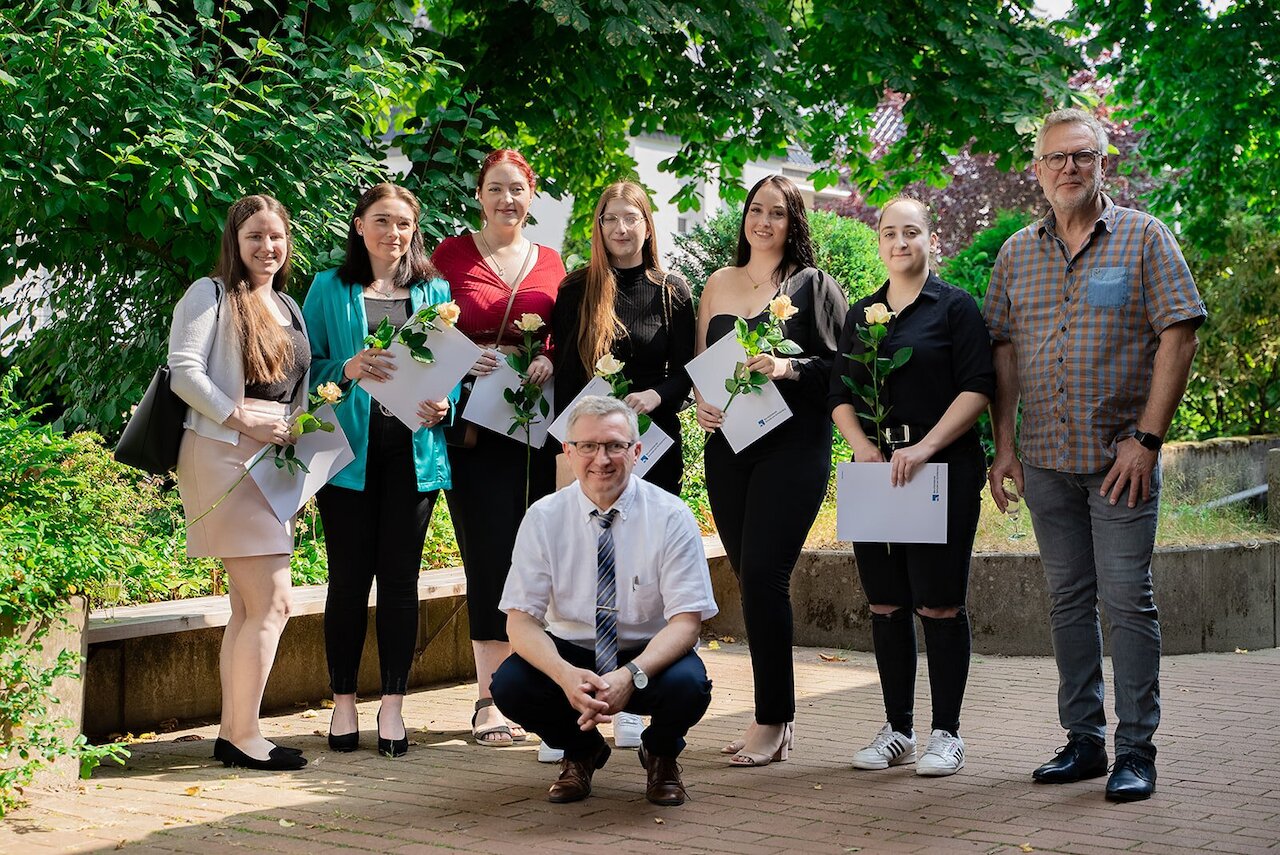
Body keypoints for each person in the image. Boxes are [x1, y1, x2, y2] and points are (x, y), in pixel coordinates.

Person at [984, 108, 1205, 802]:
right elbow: (1003, 350)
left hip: (1120, 461)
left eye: (1082, 155)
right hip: (1046, 460)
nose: (1069, 168)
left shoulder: (1144, 238)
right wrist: (1006, 446)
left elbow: (1179, 334)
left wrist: (1147, 438)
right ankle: (1083, 739)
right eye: (1056, 158)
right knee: (1068, 601)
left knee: (1127, 602)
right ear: (1038, 171)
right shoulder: (1017, 251)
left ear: (1103, 161)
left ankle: (1136, 748)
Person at [828, 197, 995, 777]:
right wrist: (864, 448)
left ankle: (946, 733)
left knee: (939, 603)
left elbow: (978, 387)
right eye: (889, 233)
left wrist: (924, 448)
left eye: (911, 232)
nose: (900, 242)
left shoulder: (955, 308)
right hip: (877, 474)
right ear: (879, 242)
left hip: (940, 473)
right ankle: (897, 729)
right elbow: (840, 395)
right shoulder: (862, 313)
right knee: (886, 602)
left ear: (931, 238)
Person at [490, 395, 718, 805]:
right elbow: (520, 621)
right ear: (568, 451)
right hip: (572, 651)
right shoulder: (544, 517)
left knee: (690, 686)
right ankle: (582, 752)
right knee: (509, 685)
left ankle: (662, 753)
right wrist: (564, 676)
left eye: (615, 445)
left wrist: (631, 674)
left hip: (647, 653)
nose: (602, 459)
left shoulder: (671, 515)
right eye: (588, 446)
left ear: (636, 451)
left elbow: (686, 621)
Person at [694, 175, 846, 767]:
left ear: (793, 223)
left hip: (793, 450)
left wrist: (785, 368)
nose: (763, 222)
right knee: (751, 580)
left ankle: (771, 719)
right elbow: (699, 365)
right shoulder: (718, 283)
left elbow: (838, 368)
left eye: (777, 213)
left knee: (763, 575)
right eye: (756, 211)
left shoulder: (813, 286)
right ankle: (775, 719)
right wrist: (700, 401)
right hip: (728, 449)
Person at [303, 183, 454, 758]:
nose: (395, 233)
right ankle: (343, 701)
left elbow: (453, 372)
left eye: (405, 224)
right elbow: (303, 366)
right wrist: (346, 365)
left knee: (399, 581)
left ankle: (393, 703)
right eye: (383, 221)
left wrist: (447, 405)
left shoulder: (435, 291)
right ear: (360, 226)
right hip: (348, 457)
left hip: (414, 456)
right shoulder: (328, 288)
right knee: (346, 581)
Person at [169, 195, 310, 771]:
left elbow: (295, 386)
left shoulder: (287, 304)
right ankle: (245, 735)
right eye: (254, 236)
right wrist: (238, 414)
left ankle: (235, 733)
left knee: (248, 607)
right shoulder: (211, 294)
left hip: (272, 463)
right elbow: (184, 370)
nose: (266, 247)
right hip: (223, 454)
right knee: (271, 602)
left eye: (275, 236)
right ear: (235, 240)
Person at [430, 149, 567, 746]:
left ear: (531, 197)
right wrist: (466, 359)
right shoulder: (450, 255)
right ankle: (489, 697)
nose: (507, 199)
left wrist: (546, 356)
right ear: (479, 195)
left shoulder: (553, 261)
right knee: (488, 553)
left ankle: (535, 686)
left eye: (517, 189)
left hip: (535, 425)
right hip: (476, 426)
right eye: (495, 188)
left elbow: (570, 329)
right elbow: (428, 327)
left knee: (537, 554)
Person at [551, 180, 695, 497]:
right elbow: (565, 377)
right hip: (593, 451)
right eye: (611, 219)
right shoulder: (575, 290)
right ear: (600, 227)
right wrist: (565, 452)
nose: (621, 228)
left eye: (631, 218)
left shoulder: (672, 291)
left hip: (654, 445)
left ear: (647, 228)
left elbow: (687, 372)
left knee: (652, 544)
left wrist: (655, 395)